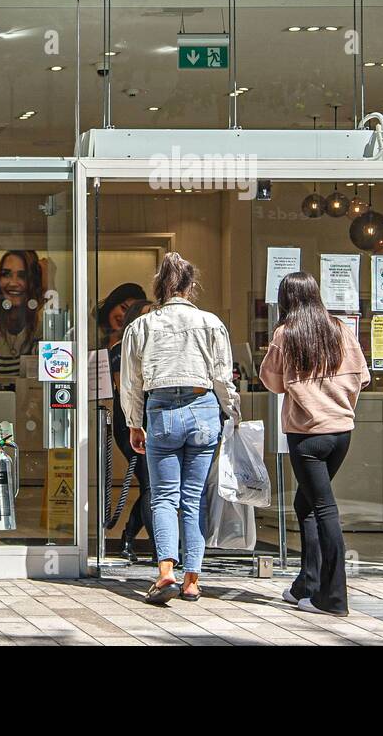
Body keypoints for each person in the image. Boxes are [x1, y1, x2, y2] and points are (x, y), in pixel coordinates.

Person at [120, 252, 239, 605]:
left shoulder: (140, 326)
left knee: (164, 497)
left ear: (158, 288)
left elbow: (131, 382)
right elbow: (222, 377)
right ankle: (191, 580)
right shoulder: (212, 323)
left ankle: (165, 572)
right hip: (203, 409)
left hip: (161, 412)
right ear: (191, 286)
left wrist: (133, 423)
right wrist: (232, 414)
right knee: (193, 498)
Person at [259, 271, 369, 616]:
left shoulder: (285, 334)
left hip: (306, 437)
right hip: (340, 434)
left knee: (323, 509)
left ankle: (333, 597)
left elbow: (271, 382)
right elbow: (362, 376)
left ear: (285, 300)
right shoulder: (340, 330)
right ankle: (306, 584)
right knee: (305, 505)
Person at [97, 283, 154, 560]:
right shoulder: (122, 349)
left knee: (150, 484)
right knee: (150, 483)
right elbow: (125, 390)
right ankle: (158, 548)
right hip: (131, 420)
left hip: (151, 420)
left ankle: (130, 539)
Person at [0, 250, 43, 376]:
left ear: (34, 282)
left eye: (22, 276)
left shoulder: (43, 327)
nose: (13, 283)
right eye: (6, 274)